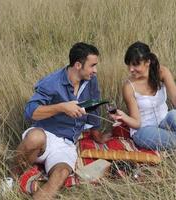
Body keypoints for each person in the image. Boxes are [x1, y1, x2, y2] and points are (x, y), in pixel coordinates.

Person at [13, 42, 110, 200]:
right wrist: (62, 107)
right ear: (78, 65)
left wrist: (96, 133)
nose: (95, 70)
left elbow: (94, 105)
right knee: (35, 137)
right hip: (45, 136)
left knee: (61, 174)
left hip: (67, 144)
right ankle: (10, 179)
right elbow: (30, 112)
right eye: (92, 65)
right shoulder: (52, 82)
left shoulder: (91, 81)